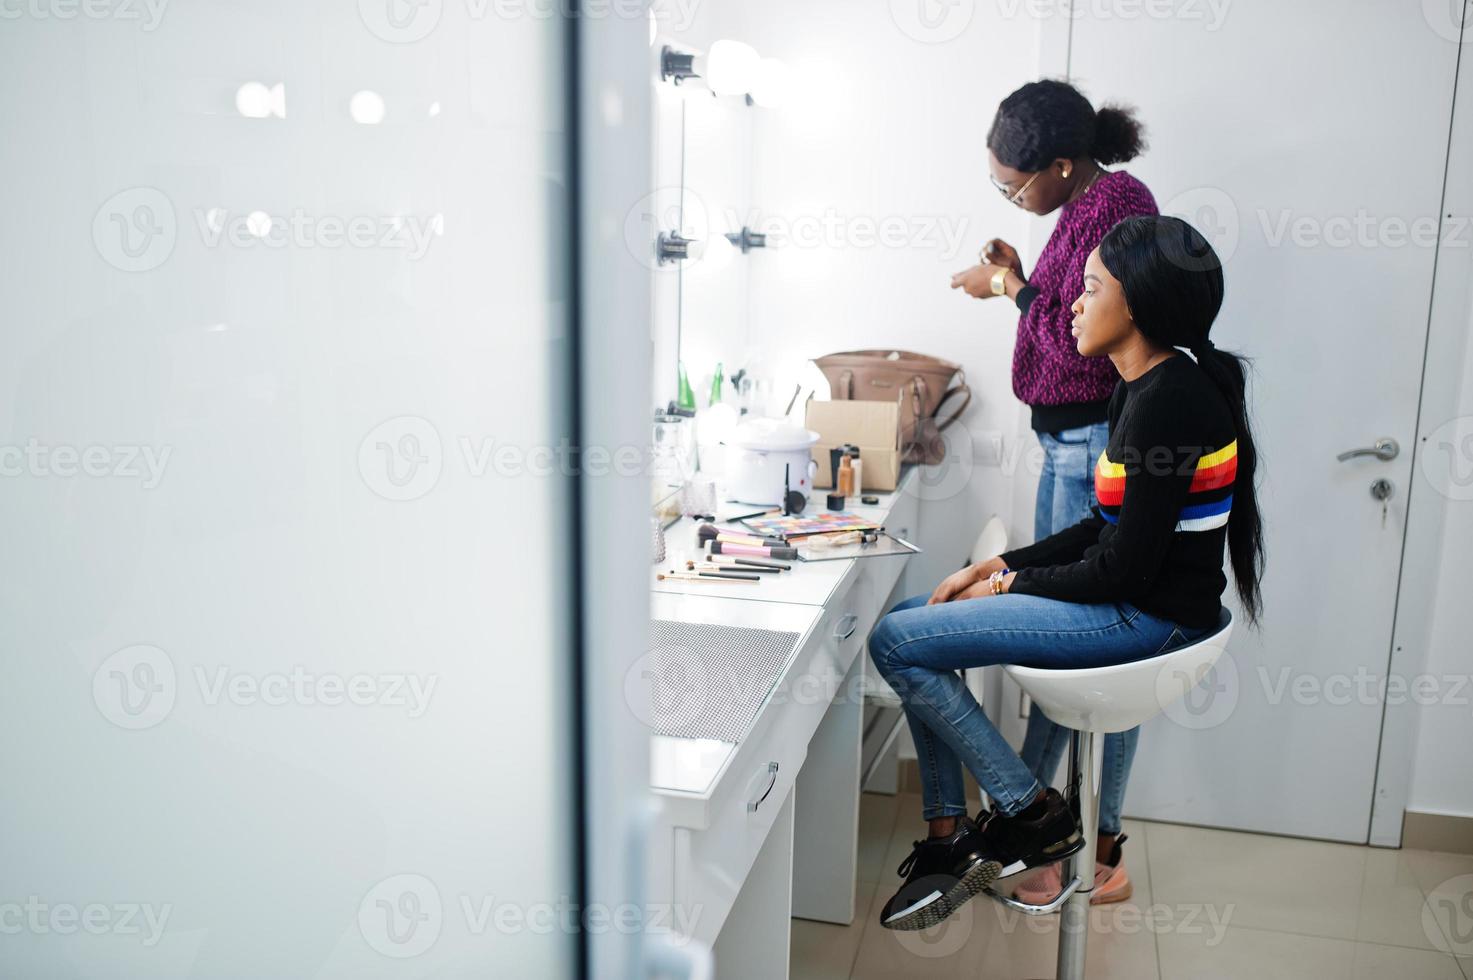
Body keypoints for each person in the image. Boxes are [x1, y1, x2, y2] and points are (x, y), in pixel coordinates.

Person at [870, 215, 1263, 931]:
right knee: (904, 633)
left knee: (897, 643)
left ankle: (1024, 814)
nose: (1074, 304)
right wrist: (1000, 562)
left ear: (1135, 303)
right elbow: (1103, 527)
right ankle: (951, 836)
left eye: (1088, 288)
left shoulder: (1169, 399)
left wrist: (1005, 587)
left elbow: (1121, 566)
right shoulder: (1140, 385)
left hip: (1147, 621)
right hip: (1140, 604)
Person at [949, 78, 1159, 905]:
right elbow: (1066, 313)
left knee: (1074, 647)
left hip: (1086, 444)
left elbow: (1074, 340)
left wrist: (1007, 289)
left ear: (1062, 166)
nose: (1008, 194)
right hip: (1072, 444)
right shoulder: (1088, 206)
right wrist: (1018, 275)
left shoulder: (1115, 206)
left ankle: (1064, 847)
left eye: (1012, 183)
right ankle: (1055, 836)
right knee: (1069, 647)